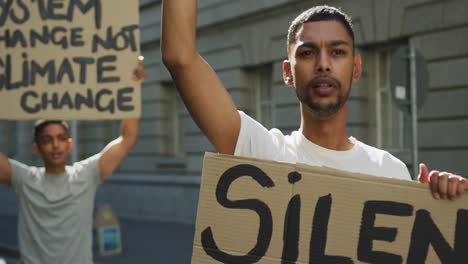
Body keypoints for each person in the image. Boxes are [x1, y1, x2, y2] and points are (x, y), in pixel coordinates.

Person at [161, 2, 467, 199]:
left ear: (356, 68)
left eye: (337, 52)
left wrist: (446, 203)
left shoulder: (392, 172)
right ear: (287, 72)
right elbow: (180, 57)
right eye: (307, 53)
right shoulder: (262, 153)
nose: (323, 64)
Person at [0, 58, 144, 264]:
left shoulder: (87, 173)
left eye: (60, 138)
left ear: (69, 144)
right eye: (47, 140)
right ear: (36, 148)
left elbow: (128, 139)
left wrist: (134, 87)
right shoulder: (24, 179)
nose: (55, 145)